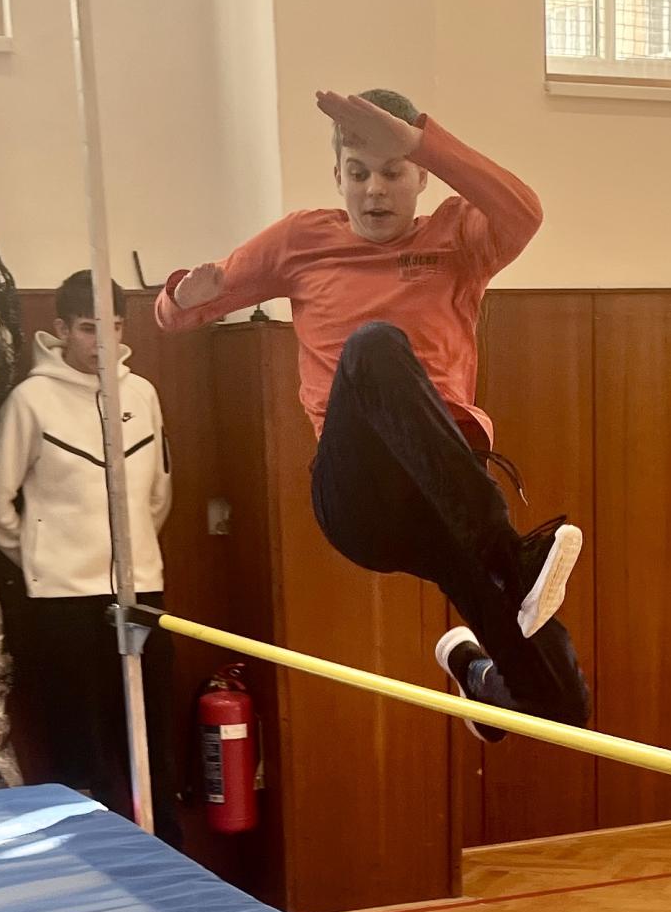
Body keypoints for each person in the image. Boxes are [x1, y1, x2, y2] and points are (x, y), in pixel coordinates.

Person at [155, 89, 589, 742]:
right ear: (338, 175)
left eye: (392, 171)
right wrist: (184, 294)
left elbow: (523, 212)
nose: (374, 190)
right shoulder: (304, 239)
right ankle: (509, 557)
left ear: (421, 176)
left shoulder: (457, 237)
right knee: (375, 347)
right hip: (360, 495)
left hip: (445, 494)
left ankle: (480, 676)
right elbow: (181, 314)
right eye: (358, 173)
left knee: (561, 707)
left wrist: (421, 139)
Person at [0, 270, 182, 842]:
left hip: (141, 593)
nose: (103, 342)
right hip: (62, 603)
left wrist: (131, 557)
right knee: (80, 748)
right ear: (62, 329)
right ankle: (96, 859)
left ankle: (169, 857)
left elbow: (158, 494)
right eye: (90, 328)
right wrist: (45, 560)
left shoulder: (141, 394)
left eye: (114, 327)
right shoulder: (31, 400)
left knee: (151, 740)